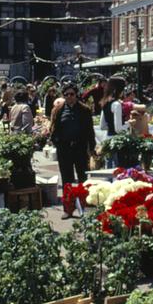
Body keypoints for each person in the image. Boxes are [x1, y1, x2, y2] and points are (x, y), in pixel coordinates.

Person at [49, 84, 96, 218]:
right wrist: (57, 142)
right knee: (67, 181)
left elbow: (90, 131)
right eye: (66, 94)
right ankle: (67, 209)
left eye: (72, 94)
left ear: (76, 95)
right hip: (64, 150)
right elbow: (53, 128)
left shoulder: (84, 110)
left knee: (82, 179)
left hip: (80, 149)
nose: (69, 97)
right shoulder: (58, 110)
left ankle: (83, 208)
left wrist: (91, 147)